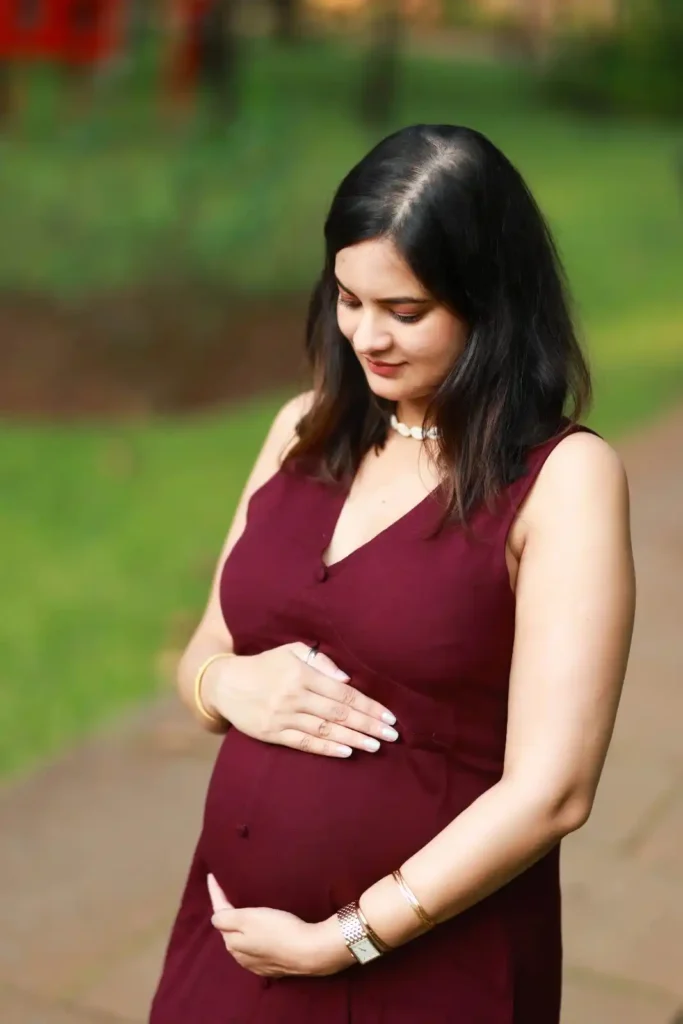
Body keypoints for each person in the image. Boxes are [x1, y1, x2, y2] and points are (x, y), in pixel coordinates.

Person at [149, 124, 635, 1023]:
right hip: (233, 943)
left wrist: (346, 937)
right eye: (347, 299)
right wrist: (224, 685)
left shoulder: (563, 480)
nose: (367, 336)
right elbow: (206, 650)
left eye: (404, 311)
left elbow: (554, 789)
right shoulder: (303, 428)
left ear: (489, 300)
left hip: (429, 969)